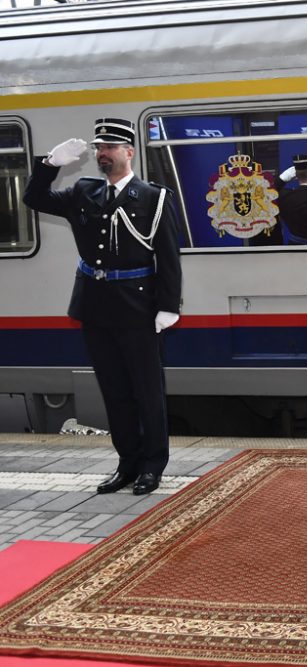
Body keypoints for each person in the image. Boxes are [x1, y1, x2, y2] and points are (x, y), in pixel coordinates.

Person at [23, 118, 182, 496]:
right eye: (98, 148)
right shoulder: (84, 191)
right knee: (114, 391)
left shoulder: (153, 198)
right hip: (96, 308)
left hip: (138, 307)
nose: (102, 154)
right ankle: (127, 463)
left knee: (147, 391)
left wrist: (167, 305)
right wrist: (49, 166)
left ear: (129, 152)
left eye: (110, 148)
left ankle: (152, 466)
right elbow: (34, 199)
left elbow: (168, 255)